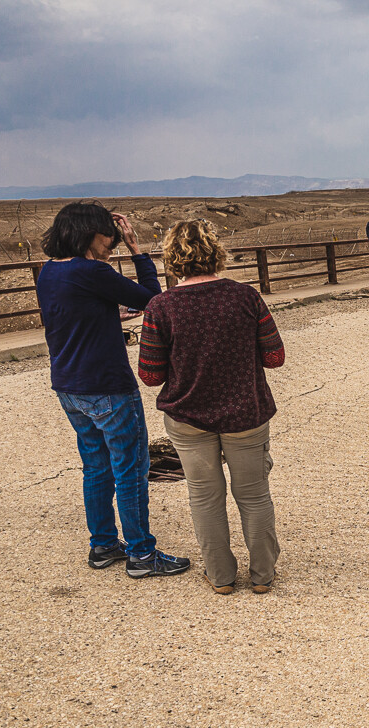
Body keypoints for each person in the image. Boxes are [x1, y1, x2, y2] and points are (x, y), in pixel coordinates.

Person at [36, 201, 189, 578]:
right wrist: (139, 252)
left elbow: (69, 314)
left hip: (69, 386)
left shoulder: (49, 273)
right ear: (90, 232)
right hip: (107, 385)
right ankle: (141, 554)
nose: (114, 243)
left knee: (96, 467)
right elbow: (154, 299)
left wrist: (105, 313)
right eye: (111, 235)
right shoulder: (92, 271)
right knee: (132, 468)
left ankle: (102, 544)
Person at [138, 220, 284, 595]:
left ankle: (220, 577)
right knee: (253, 494)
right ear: (216, 253)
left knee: (204, 496)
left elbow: (151, 376)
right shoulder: (245, 297)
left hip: (189, 418)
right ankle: (263, 575)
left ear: (172, 258)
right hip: (245, 414)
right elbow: (275, 356)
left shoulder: (161, 306)